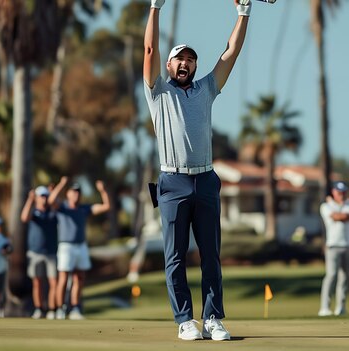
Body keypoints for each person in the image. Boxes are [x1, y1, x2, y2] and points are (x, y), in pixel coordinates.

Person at [143, 0, 251, 341]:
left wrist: (243, 13)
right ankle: (185, 320)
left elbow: (231, 52)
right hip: (172, 181)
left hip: (205, 180)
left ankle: (213, 319)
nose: (185, 62)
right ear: (170, 64)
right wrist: (155, 7)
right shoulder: (158, 91)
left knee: (211, 256)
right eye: (179, 58)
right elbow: (149, 48)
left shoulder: (206, 89)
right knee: (175, 257)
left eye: (190, 58)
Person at [48, 177, 110, 320]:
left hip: (81, 246)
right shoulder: (62, 207)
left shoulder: (84, 208)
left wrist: (103, 190)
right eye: (73, 192)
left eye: (78, 192)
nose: (76, 194)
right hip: (66, 246)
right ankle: (60, 309)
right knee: (63, 279)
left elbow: (106, 206)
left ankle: (75, 309)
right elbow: (51, 201)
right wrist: (61, 184)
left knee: (79, 278)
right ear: (68, 194)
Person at [318, 181, 349, 317]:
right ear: (333, 192)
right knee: (331, 275)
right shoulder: (325, 206)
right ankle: (324, 307)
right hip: (333, 245)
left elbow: (345, 217)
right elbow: (335, 216)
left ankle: (341, 307)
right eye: (339, 192)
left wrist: (336, 208)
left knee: (345, 277)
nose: (342, 195)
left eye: (344, 192)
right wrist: (336, 208)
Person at [21, 185, 58, 320]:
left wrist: (54, 193)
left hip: (51, 252)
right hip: (35, 252)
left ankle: (52, 310)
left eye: (46, 196)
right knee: (37, 282)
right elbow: (24, 218)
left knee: (53, 282)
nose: (44, 199)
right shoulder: (34, 213)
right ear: (37, 198)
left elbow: (56, 204)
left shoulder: (53, 211)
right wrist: (30, 200)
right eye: (41, 196)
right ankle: (39, 309)